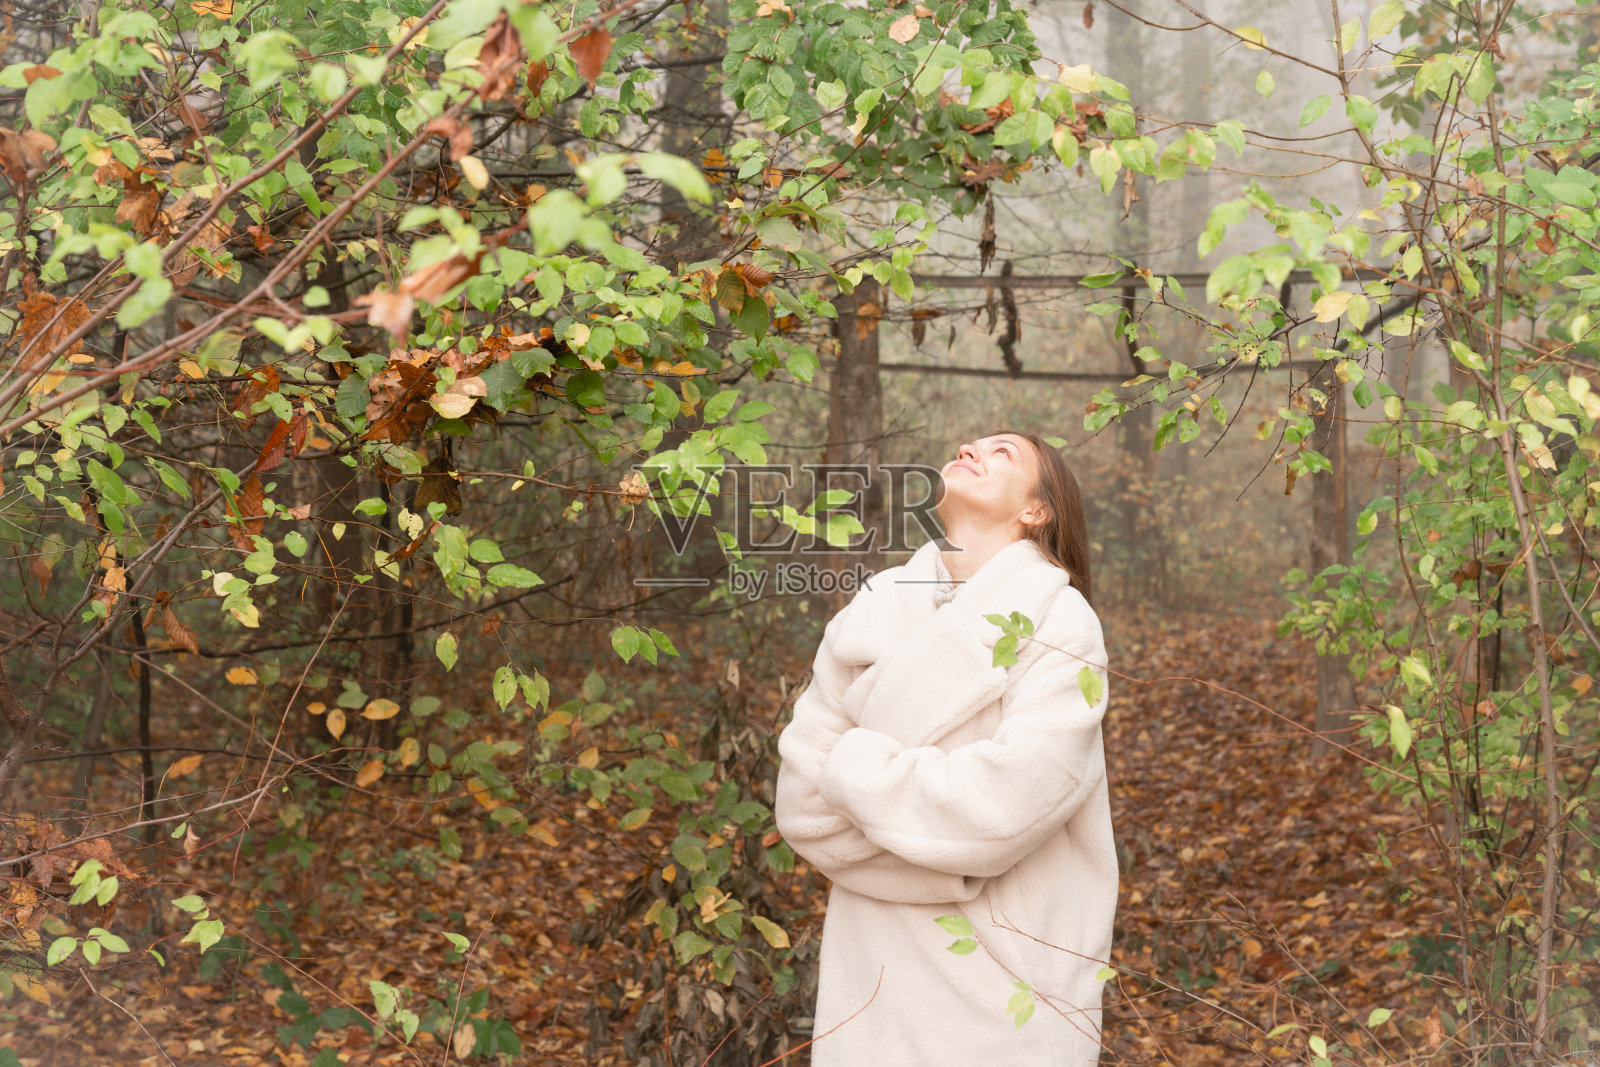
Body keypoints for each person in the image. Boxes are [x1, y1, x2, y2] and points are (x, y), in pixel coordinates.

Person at [774, 428, 1116, 1066]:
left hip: (1005, 981)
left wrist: (853, 772)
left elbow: (1003, 810)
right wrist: (944, 856)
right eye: (972, 443)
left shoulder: (1060, 620)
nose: (972, 449)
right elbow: (802, 810)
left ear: (1035, 510)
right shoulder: (870, 611)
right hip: (872, 985)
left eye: (1003, 451)